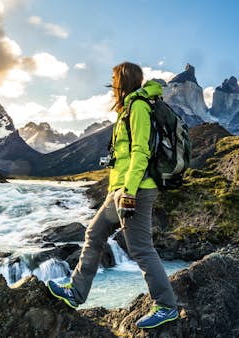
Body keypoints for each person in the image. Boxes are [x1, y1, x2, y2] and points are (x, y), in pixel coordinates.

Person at [47, 62, 179, 329]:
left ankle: (166, 306)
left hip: (136, 190)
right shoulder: (128, 109)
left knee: (141, 248)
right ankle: (76, 291)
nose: (112, 86)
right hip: (119, 191)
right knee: (94, 234)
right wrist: (116, 190)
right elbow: (124, 155)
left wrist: (128, 193)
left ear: (123, 81)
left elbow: (141, 153)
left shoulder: (139, 107)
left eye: (114, 80)